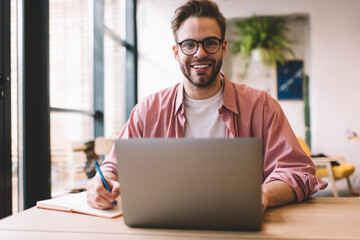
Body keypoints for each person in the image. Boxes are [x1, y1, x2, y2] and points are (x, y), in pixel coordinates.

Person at [86, 0, 327, 211]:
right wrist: (101, 183)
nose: (200, 53)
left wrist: (262, 195)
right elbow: (113, 167)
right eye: (189, 44)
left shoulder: (261, 106)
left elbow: (298, 171)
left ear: (223, 47)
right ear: (176, 52)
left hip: (240, 226)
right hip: (164, 226)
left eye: (210, 43)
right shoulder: (148, 110)